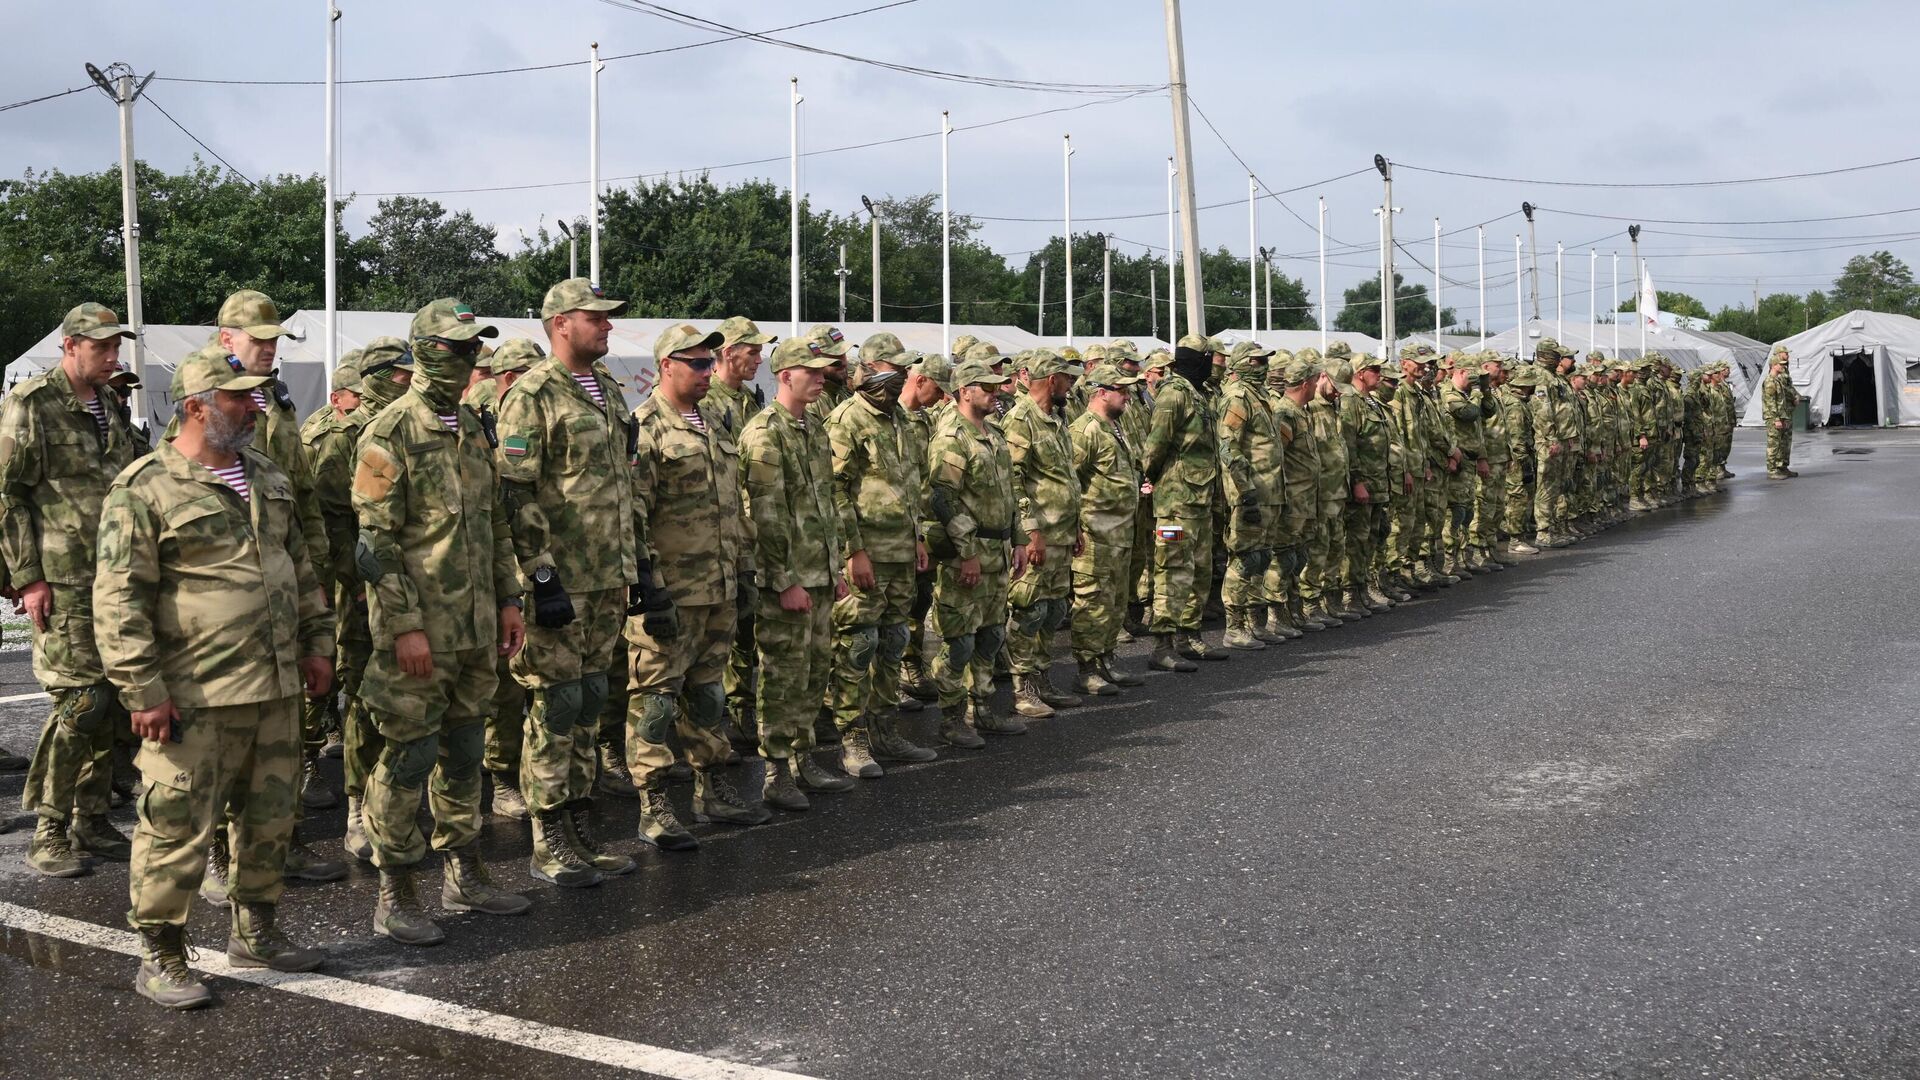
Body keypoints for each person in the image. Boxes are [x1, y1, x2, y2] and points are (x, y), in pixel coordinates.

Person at [96, 348, 337, 1008]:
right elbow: (120, 601)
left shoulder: (267, 476)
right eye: (239, 397)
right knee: (175, 828)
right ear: (197, 404)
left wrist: (318, 645)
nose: (255, 407)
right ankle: (162, 955)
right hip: (196, 694)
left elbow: (302, 570)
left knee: (269, 821)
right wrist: (142, 692)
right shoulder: (144, 488)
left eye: (257, 396)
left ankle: (255, 930)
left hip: (277, 687)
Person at [353, 299, 532, 946]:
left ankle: (465, 870)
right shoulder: (391, 431)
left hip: (477, 625)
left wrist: (510, 600)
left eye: (473, 348)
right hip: (420, 630)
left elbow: (496, 523)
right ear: (427, 350)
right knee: (410, 755)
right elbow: (374, 543)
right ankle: (396, 891)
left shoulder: (478, 428)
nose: (469, 358)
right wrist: (404, 626)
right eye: (457, 347)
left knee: (463, 753)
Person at [495, 279, 640, 886]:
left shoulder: (605, 390)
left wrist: (635, 570)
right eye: (596, 317)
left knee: (586, 707)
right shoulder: (532, 394)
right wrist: (542, 576)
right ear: (560, 324)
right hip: (560, 585)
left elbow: (619, 488)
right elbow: (514, 491)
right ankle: (548, 837)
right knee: (554, 709)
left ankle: (581, 830)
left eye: (609, 318)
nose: (608, 326)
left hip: (606, 578)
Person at [1, 303, 145, 875]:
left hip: (117, 578)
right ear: (70, 346)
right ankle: (48, 828)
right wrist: (27, 577)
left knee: (114, 703)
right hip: (62, 581)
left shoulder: (109, 403)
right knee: (81, 703)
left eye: (116, 348)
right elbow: (8, 496)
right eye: (102, 348)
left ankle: (92, 818)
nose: (113, 357)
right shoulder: (32, 404)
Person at [626, 323, 769, 850]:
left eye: (712, 362)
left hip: (720, 586)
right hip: (672, 592)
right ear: (667, 365)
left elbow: (735, 507)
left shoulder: (717, 420)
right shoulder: (643, 427)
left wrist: (745, 569)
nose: (710, 371)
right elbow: (634, 518)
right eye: (698, 363)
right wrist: (649, 588)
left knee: (709, 696)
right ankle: (654, 802)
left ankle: (713, 790)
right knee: (656, 700)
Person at [741, 336, 852, 809]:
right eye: (812, 370)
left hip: (821, 573)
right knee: (783, 675)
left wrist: (838, 563)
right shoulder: (765, 433)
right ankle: (775, 770)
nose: (822, 377)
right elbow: (764, 516)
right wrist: (783, 580)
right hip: (787, 579)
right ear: (785, 375)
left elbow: (826, 502)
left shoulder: (814, 429)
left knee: (813, 672)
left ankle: (803, 757)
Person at [826, 333, 935, 778]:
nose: (904, 376)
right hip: (866, 554)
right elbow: (834, 490)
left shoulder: (905, 422)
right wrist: (854, 551)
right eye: (896, 368)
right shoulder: (846, 420)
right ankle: (852, 740)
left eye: (906, 370)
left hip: (902, 554)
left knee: (893, 643)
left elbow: (914, 488)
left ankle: (886, 731)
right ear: (870, 369)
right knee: (857, 645)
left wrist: (920, 537)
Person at [328, 338, 412, 860]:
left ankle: (397, 799)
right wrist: (358, 582)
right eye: (399, 372)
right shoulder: (342, 436)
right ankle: (358, 804)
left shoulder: (415, 423)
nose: (408, 378)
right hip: (360, 589)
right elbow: (332, 524)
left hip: (410, 587)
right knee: (363, 696)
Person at [923, 359, 1028, 746]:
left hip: (997, 550)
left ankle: (982, 708)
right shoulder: (952, 436)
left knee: (990, 635)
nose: (995, 391)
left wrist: (1018, 539)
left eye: (997, 385)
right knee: (959, 641)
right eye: (986, 386)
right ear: (964, 391)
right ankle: (951, 719)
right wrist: (965, 552)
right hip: (967, 555)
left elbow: (1010, 493)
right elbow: (942, 498)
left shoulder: (995, 434)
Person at [463, 338, 541, 820]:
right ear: (507, 376)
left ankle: (524, 772)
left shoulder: (523, 411)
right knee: (503, 684)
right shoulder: (479, 413)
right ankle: (500, 775)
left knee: (531, 678)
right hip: (496, 564)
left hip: (526, 558)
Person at [1003, 349, 1085, 715]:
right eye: (1066, 377)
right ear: (1051, 379)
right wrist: (1030, 530)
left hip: (1062, 532)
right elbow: (1014, 481)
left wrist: (1076, 525)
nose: (1072, 383)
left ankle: (1042, 677)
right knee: (1029, 610)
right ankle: (1022, 688)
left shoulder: (1056, 418)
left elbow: (1065, 477)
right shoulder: (1022, 419)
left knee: (1052, 611)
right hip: (1040, 536)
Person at [707, 316, 773, 756]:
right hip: (723, 533)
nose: (758, 358)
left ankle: (744, 708)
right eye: (751, 351)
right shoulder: (709, 402)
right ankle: (727, 715)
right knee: (722, 633)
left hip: (752, 532)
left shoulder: (752, 400)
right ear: (728, 353)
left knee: (748, 623)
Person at [1142, 335, 1227, 668]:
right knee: (1172, 570)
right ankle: (1162, 646)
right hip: (1175, 504)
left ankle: (1189, 637)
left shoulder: (1199, 393)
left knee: (1199, 571)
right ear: (1197, 359)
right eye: (1208, 357)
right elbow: (1155, 445)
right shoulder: (1174, 394)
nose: (1213, 364)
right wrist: (1147, 477)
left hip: (1200, 500)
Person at [1068, 361, 1148, 694]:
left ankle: (1107, 661)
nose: (1128, 396)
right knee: (1092, 604)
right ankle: (1087, 670)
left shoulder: (1115, 426)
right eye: (1122, 390)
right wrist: (1074, 528)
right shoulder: (1084, 430)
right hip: (1095, 535)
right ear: (1101, 392)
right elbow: (1070, 482)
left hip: (1120, 532)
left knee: (1114, 603)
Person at [1215, 343, 1281, 648]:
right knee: (1243, 558)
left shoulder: (1260, 396)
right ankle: (1234, 626)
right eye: (1256, 362)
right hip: (1250, 493)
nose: (1263, 367)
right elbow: (1230, 447)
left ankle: (1255, 622)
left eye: (1264, 362)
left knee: (1261, 557)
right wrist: (1246, 491)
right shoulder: (1238, 396)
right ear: (1241, 364)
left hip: (1269, 491)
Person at [1762, 347, 1800, 479]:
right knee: (1774, 444)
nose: (1783, 367)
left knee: (1782, 442)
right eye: (1780, 364)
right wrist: (1776, 418)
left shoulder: (1777, 380)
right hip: (1775, 417)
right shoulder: (1770, 381)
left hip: (1783, 414)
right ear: (1774, 365)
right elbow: (1771, 401)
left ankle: (1782, 467)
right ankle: (1772, 470)